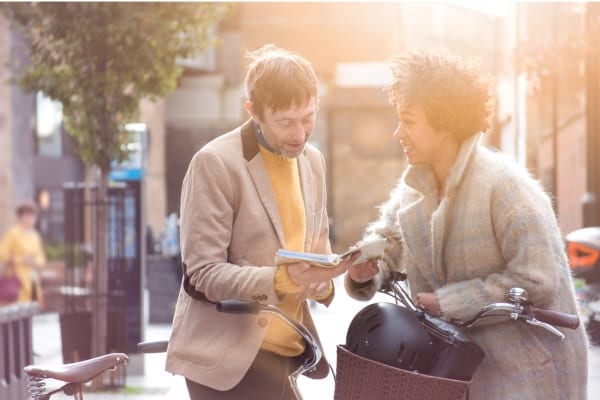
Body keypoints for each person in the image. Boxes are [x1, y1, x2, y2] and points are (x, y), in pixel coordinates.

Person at [345, 50, 588, 399]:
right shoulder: (414, 190)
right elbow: (386, 243)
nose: (398, 132)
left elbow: (537, 279)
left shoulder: (506, 187)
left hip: (527, 369)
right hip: (457, 370)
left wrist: (450, 302)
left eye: (409, 121)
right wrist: (366, 271)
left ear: (444, 123)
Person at [166, 45, 355, 400]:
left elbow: (317, 249)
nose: (299, 134)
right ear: (253, 111)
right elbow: (203, 273)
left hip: (286, 352)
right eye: (285, 122)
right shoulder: (215, 163)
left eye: (308, 118)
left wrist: (324, 281)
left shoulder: (312, 161)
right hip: (226, 360)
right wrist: (283, 279)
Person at [0, 201, 46, 305]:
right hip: (17, 279)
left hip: (33, 278)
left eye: (32, 216)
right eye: (26, 216)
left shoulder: (35, 236)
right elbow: (2, 254)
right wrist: (21, 260)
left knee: (32, 308)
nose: (29, 219)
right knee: (18, 310)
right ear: (20, 217)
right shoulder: (13, 234)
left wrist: (35, 262)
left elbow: (41, 258)